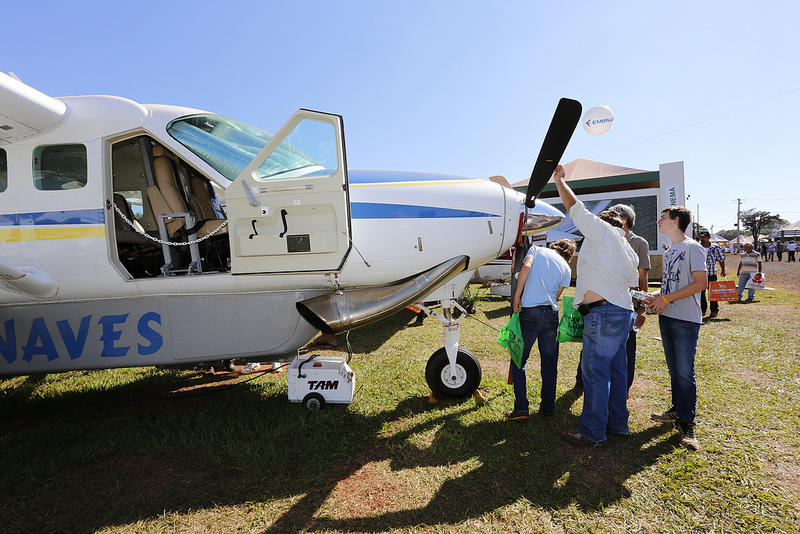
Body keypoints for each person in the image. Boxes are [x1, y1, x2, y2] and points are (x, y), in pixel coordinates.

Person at [552, 166, 639, 447]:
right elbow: (632, 281)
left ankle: (592, 431)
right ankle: (618, 425)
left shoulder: (601, 232)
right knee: (617, 371)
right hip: (622, 311)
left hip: (603, 313)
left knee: (595, 372)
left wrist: (559, 180)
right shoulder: (628, 248)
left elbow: (575, 207)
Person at [646, 206, 707, 451]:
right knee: (675, 370)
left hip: (685, 319)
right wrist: (654, 296)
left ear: (676, 220)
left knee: (685, 372)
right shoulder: (671, 250)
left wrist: (665, 299)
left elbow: (700, 283)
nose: (658, 221)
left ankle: (687, 424)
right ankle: (677, 410)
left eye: (663, 217)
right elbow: (670, 285)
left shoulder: (693, 247)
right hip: (667, 316)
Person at [572, 203, 649, 396]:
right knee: (611, 362)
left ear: (625, 220)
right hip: (621, 309)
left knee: (600, 366)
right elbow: (632, 281)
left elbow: (642, 277)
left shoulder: (632, 242)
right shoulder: (621, 244)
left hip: (610, 309)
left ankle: (605, 407)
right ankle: (614, 407)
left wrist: (642, 308)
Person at [507, 238, 576, 420]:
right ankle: (548, 408)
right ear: (569, 255)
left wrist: (517, 295)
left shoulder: (537, 250)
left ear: (555, 245)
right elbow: (557, 295)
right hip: (551, 315)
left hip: (530, 312)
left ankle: (521, 408)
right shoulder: (566, 268)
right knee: (549, 364)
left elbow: (526, 267)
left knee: (518, 360)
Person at [698, 230, 727, 318]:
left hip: (711, 274)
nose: (702, 239)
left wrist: (723, 270)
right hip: (700, 274)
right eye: (701, 237)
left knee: (713, 293)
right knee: (701, 293)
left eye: (704, 237)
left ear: (709, 237)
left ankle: (714, 311)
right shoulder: (697, 247)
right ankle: (702, 310)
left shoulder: (715, 248)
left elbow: (721, 259)